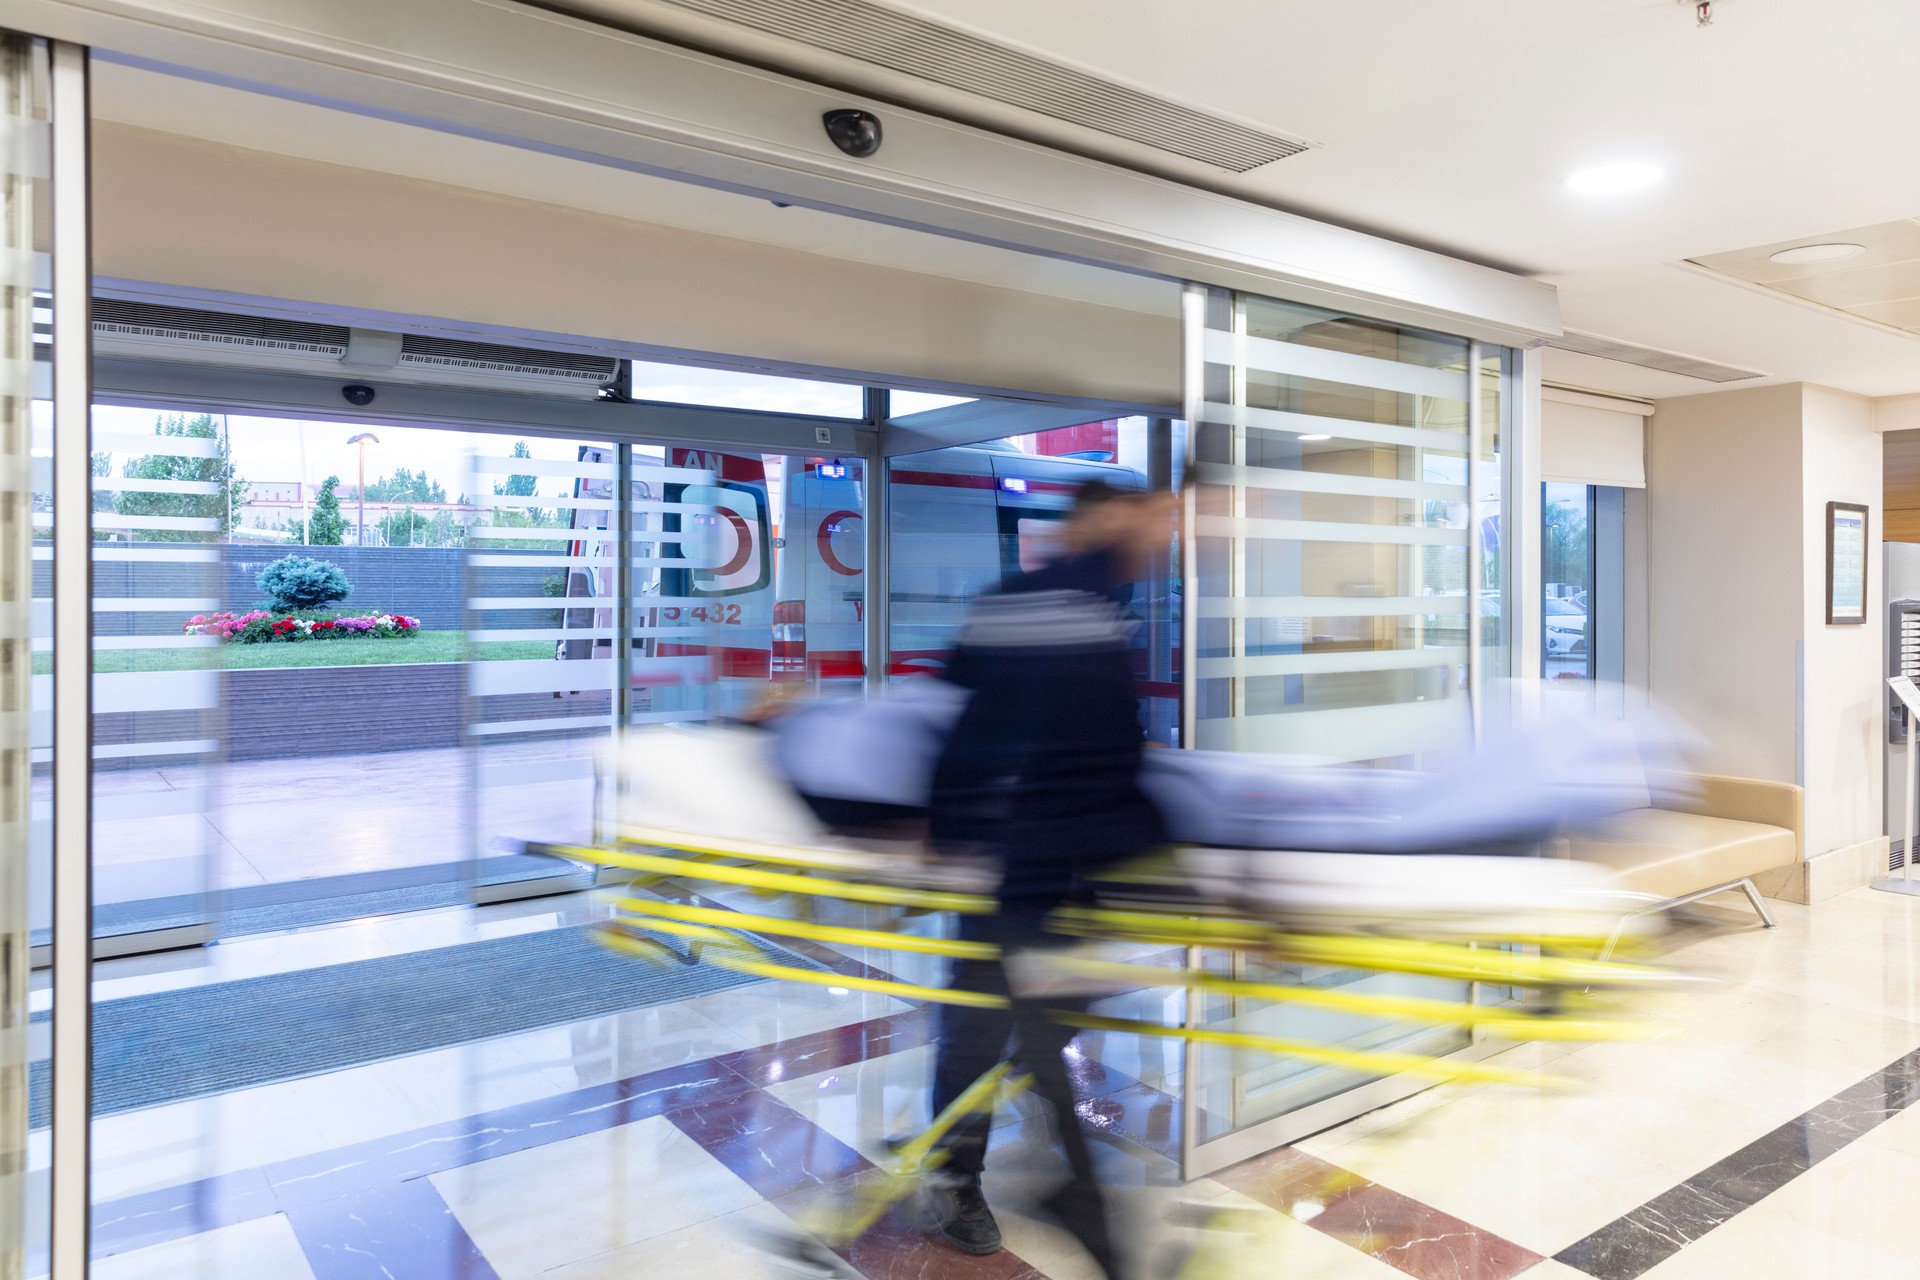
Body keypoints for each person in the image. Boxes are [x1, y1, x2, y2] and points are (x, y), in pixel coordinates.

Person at [922, 479, 1179, 1275]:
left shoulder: (1098, 605)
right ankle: (955, 1177)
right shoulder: (1049, 604)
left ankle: (1024, 1115)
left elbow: (1102, 754)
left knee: (1063, 1004)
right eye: (1147, 521)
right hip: (1014, 860)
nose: (1161, 537)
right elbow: (981, 731)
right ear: (1099, 523)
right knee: (979, 1026)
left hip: (1058, 861)